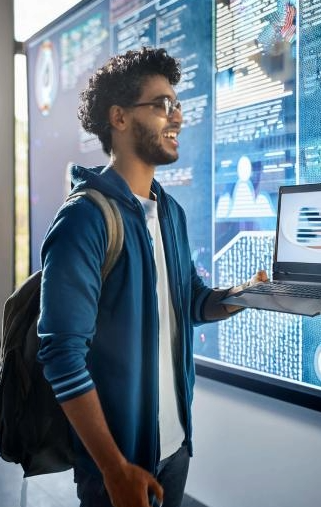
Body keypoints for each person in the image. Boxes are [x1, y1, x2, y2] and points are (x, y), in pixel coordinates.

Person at [36, 47, 267, 507]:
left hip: (175, 450)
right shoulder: (85, 219)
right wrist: (112, 468)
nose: (176, 116)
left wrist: (246, 295)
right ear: (119, 118)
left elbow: (193, 303)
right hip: (119, 466)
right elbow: (61, 355)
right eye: (161, 104)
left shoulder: (170, 213)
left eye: (176, 105)